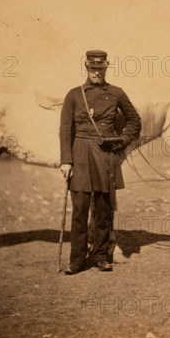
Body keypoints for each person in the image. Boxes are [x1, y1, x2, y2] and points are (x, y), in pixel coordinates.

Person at [59, 50, 141, 274]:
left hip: (106, 155)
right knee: (80, 210)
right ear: (86, 67)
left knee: (104, 210)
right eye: (92, 68)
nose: (96, 72)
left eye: (100, 68)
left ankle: (101, 256)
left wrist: (121, 141)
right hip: (80, 155)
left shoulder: (116, 93)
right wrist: (66, 161)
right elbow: (65, 130)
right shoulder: (74, 95)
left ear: (106, 68)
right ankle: (76, 259)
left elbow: (134, 120)